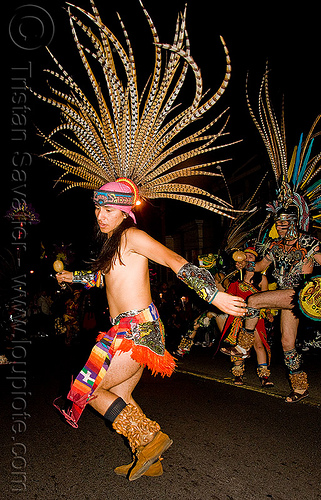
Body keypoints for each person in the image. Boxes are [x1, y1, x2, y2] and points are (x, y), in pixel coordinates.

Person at [55, 181, 247, 480]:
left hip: (137, 329)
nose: (100, 216)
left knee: (85, 388)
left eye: (107, 210)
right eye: (97, 209)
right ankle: (150, 458)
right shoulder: (114, 244)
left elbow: (175, 260)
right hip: (125, 328)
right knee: (120, 394)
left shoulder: (133, 236)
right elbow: (103, 279)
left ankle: (150, 439)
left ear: (123, 212)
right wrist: (72, 276)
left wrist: (214, 295)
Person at [222, 212, 321, 402]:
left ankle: (243, 347)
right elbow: (260, 266)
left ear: (294, 222)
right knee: (287, 343)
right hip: (284, 295)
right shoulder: (275, 245)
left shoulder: (309, 243)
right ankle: (301, 388)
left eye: (284, 223)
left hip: (299, 292)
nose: (280, 227)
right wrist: (246, 263)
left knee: (254, 301)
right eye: (278, 224)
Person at [220, 248, 273, 387]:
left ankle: (264, 376)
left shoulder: (262, 279)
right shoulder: (235, 279)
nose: (248, 259)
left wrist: (268, 312)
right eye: (246, 256)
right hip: (238, 316)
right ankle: (238, 375)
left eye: (251, 257)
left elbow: (266, 297)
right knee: (236, 345)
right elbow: (229, 296)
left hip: (256, 316)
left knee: (258, 345)